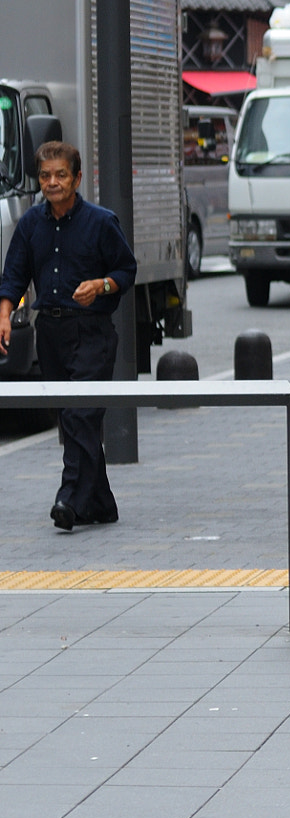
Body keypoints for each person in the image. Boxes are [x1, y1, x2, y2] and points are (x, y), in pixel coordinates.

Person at [0, 141, 138, 531]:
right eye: (45, 176)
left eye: (61, 175)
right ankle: (101, 503)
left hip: (92, 330)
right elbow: (13, 275)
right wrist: (5, 315)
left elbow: (126, 271)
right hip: (52, 332)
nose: (52, 182)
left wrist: (100, 285)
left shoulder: (101, 221)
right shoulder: (30, 223)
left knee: (81, 413)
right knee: (72, 417)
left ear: (77, 178)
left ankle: (68, 498)